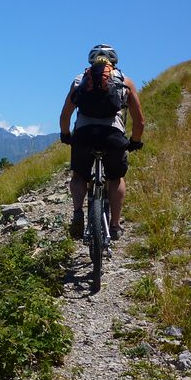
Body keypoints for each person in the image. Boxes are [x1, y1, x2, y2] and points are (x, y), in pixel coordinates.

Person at [59, 44, 145, 240]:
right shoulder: (125, 81)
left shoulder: (80, 81)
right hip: (113, 136)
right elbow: (139, 120)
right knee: (116, 178)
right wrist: (134, 141)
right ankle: (114, 225)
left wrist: (66, 135)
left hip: (84, 134)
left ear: (91, 61)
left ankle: (78, 213)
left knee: (79, 176)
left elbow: (65, 115)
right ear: (114, 62)